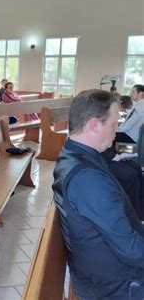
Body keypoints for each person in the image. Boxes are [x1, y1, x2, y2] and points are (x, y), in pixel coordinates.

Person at [52, 89, 144, 299]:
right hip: (118, 285)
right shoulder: (88, 179)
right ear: (94, 124)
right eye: (113, 123)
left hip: (104, 270)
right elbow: (129, 249)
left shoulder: (72, 153)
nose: (117, 129)